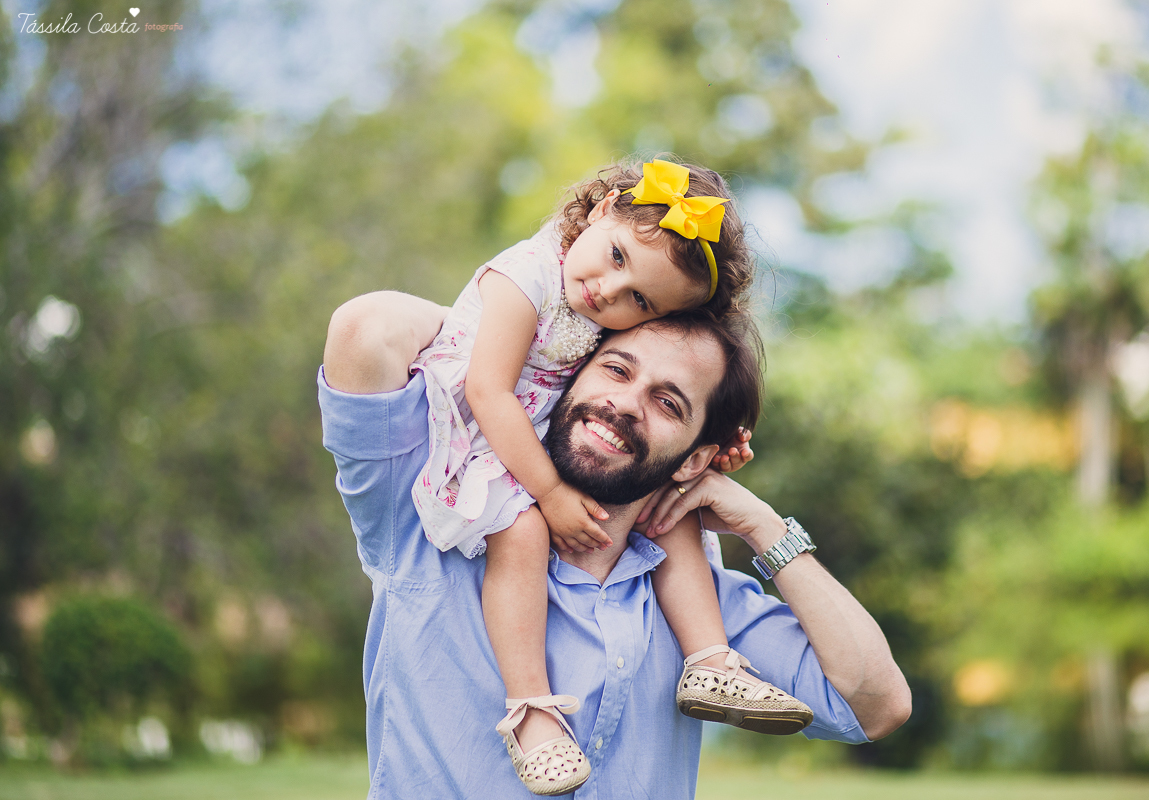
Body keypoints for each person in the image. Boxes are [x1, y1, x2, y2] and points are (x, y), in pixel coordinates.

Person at [320, 298, 912, 799]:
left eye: (668, 403)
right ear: (571, 373)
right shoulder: (429, 519)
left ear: (697, 459)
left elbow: (877, 705)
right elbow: (364, 330)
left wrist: (765, 527)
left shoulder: (701, 611)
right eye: (616, 369)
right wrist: (528, 341)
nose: (626, 403)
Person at [402, 157, 807, 794]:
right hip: (481, 434)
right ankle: (531, 712)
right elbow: (487, 390)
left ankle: (709, 660)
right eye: (617, 256)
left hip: (531, 429)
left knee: (667, 499)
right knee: (523, 534)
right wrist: (551, 493)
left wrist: (705, 451)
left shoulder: (597, 304)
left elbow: (651, 379)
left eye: (639, 300)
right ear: (600, 209)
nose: (608, 292)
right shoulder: (526, 277)